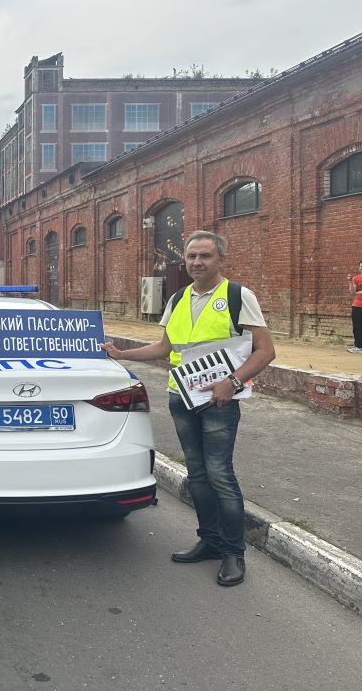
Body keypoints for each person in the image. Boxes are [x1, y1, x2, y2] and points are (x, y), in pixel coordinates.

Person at [102, 231, 275, 587]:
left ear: (220, 259)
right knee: (196, 474)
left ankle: (233, 552)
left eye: (205, 256)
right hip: (180, 397)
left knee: (220, 474)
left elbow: (266, 350)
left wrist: (233, 382)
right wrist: (121, 354)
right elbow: (164, 347)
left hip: (219, 400)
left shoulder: (238, 296)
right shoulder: (178, 297)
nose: (197, 262)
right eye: (192, 256)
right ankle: (209, 541)